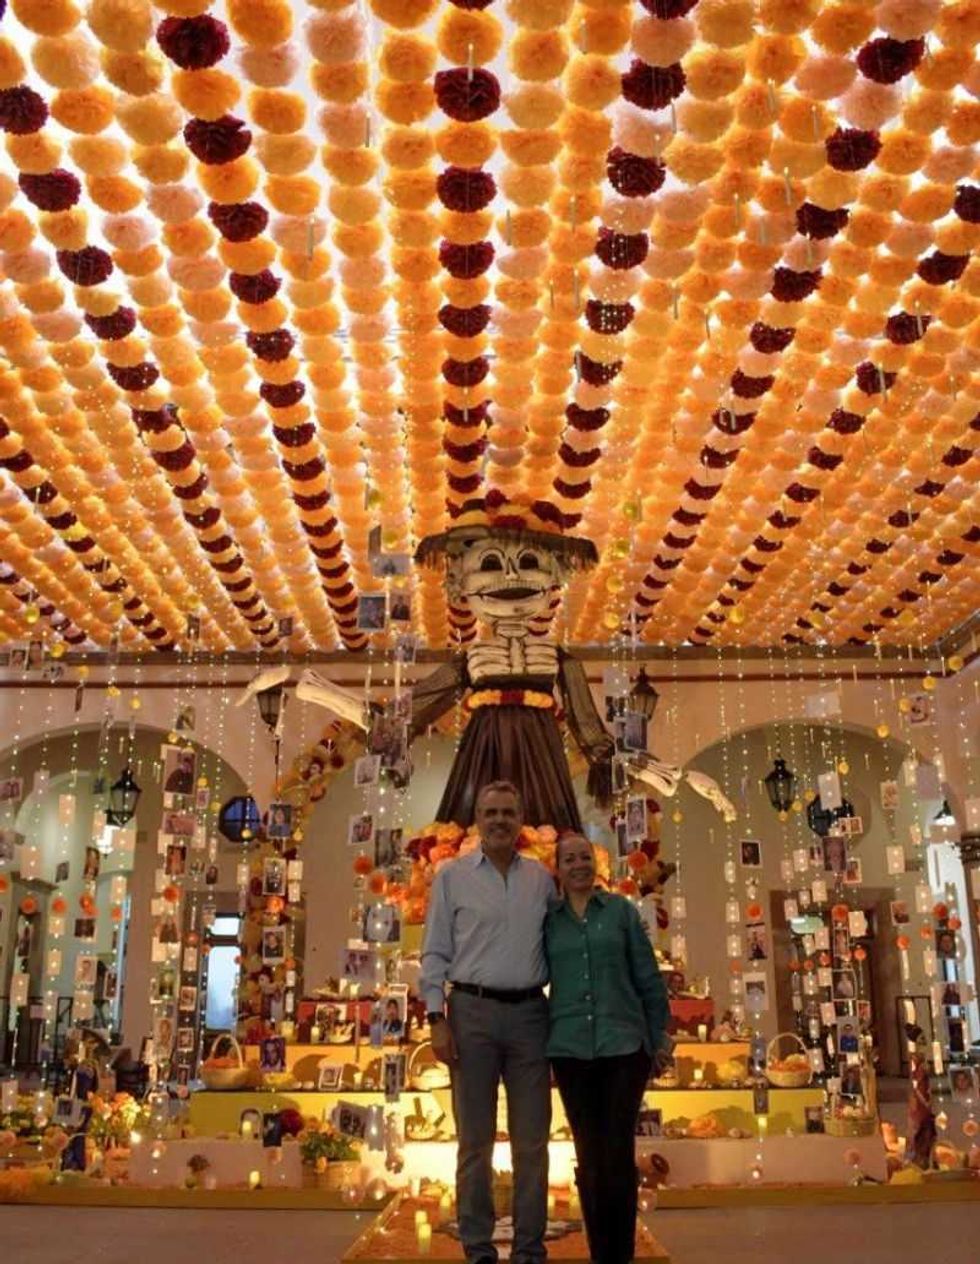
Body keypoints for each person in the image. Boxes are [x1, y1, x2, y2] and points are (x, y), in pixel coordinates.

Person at [421, 781, 554, 1264]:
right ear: (477, 818)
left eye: (508, 811)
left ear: (521, 819)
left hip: (530, 1016)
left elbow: (556, 947)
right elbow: (434, 951)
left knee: (533, 1142)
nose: (499, 819)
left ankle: (529, 1249)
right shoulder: (452, 877)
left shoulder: (541, 878)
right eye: (490, 812)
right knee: (474, 1142)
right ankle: (478, 1249)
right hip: (470, 1014)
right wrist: (436, 1016)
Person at [546, 832, 673, 1264]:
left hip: (623, 1045)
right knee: (588, 1153)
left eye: (585, 857)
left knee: (616, 1152)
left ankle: (621, 1253)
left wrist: (658, 1040)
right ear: (557, 870)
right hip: (569, 1048)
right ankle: (600, 1251)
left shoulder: (619, 911)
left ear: (595, 865)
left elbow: (648, 979)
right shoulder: (548, 920)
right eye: (569, 859)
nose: (578, 864)